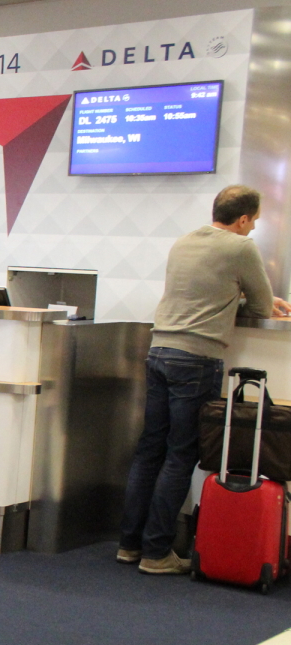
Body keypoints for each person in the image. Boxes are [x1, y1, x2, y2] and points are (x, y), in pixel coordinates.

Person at [120, 185, 291, 574]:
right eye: (253, 223)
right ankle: (156, 552)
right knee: (181, 455)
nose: (252, 230)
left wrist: (232, 298)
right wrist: (253, 301)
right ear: (243, 218)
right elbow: (263, 305)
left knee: (150, 450)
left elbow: (204, 292)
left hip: (159, 350)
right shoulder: (241, 248)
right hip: (197, 359)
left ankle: (129, 545)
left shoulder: (184, 242)